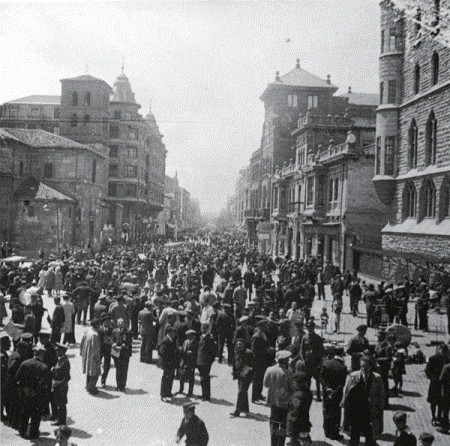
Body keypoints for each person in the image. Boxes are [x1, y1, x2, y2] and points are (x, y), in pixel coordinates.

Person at [341, 350, 386, 446]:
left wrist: (380, 408)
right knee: (354, 437)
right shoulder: (353, 377)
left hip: (370, 412)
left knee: (370, 437)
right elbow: (346, 392)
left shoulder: (377, 378)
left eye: (365, 366)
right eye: (362, 366)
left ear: (370, 367)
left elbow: (382, 395)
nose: (363, 369)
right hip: (356, 411)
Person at [15, 343, 52, 439]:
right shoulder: (44, 367)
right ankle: (33, 433)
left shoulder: (24, 363)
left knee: (24, 413)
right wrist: (36, 391)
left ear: (34, 353)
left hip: (24, 394)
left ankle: (22, 431)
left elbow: (17, 377)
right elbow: (46, 384)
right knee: (36, 416)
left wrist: (25, 389)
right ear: (42, 354)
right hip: (37, 396)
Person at [263, 350, 294, 446]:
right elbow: (292, 387)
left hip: (273, 401)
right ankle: (280, 444)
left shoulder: (269, 369)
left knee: (273, 424)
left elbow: (265, 384)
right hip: (284, 402)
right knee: (283, 425)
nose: (288, 361)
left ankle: (273, 443)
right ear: (284, 361)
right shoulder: (288, 372)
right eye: (287, 360)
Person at [320, 346, 348, 440]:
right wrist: (334, 392)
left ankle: (327, 431)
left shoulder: (326, 363)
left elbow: (321, 378)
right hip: (336, 394)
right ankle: (334, 433)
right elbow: (342, 383)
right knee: (336, 412)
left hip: (326, 392)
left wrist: (327, 389)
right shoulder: (342, 367)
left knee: (326, 410)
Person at [300, 320, 325, 401]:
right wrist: (303, 359)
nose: (309, 329)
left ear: (313, 328)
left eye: (311, 328)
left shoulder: (317, 338)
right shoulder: (304, 337)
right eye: (308, 328)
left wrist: (320, 361)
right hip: (307, 362)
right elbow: (301, 349)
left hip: (315, 362)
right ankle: (307, 395)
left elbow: (321, 350)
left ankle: (318, 395)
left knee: (317, 380)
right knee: (307, 380)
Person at [286, 371, 313, 446]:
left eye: (295, 381)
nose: (294, 383)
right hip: (304, 421)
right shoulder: (308, 393)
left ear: (299, 383)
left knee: (295, 443)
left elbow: (295, 411)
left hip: (296, 425)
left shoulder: (298, 395)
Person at [229, 338, 254, 417]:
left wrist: (246, 372)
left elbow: (252, 366)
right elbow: (234, 362)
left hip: (246, 376)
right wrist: (234, 370)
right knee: (243, 391)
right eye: (237, 344)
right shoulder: (236, 351)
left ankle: (237, 411)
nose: (238, 346)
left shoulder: (248, 353)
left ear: (244, 345)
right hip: (239, 375)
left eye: (240, 344)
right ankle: (245, 408)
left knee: (241, 392)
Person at [424, 343, 448, 426]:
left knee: (441, 401)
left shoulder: (447, 359)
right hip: (435, 383)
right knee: (433, 401)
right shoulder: (433, 358)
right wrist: (432, 378)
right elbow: (427, 370)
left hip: (443, 384)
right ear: (439, 350)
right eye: (443, 350)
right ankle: (433, 416)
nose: (444, 353)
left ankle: (439, 416)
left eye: (446, 351)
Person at [80, 317, 102, 395]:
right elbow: (95, 348)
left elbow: (82, 342)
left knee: (88, 371)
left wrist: (81, 352)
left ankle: (87, 385)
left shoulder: (87, 331)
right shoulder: (95, 335)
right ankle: (91, 387)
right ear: (96, 325)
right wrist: (96, 358)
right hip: (93, 356)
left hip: (86, 354)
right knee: (94, 373)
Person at [51, 343, 71, 426]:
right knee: (59, 404)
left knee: (61, 405)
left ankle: (62, 422)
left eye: (58, 350)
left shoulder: (65, 361)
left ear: (63, 351)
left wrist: (59, 384)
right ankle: (60, 420)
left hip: (61, 386)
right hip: (58, 385)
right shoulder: (61, 359)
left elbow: (67, 377)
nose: (56, 351)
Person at [111, 317, 132, 391]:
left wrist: (122, 346)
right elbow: (112, 339)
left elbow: (128, 342)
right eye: (118, 322)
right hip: (116, 353)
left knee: (124, 369)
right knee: (118, 369)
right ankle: (118, 384)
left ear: (124, 323)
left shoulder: (127, 331)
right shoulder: (114, 331)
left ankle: (122, 385)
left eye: (121, 322)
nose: (120, 323)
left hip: (124, 353)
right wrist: (113, 344)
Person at [197, 322, 216, 401]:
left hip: (206, 362)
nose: (203, 330)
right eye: (202, 328)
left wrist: (209, 362)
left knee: (206, 379)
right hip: (200, 361)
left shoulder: (210, 338)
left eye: (204, 328)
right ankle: (203, 394)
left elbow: (213, 352)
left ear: (208, 329)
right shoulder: (201, 337)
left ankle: (206, 396)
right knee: (202, 379)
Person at [159, 325, 178, 402]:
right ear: (169, 332)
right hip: (167, 363)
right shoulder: (165, 340)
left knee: (170, 378)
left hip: (171, 363)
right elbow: (162, 352)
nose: (174, 334)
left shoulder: (171, 339)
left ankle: (168, 393)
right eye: (173, 332)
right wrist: (169, 357)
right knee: (166, 379)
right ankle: (163, 395)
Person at [177, 329, 198, 397]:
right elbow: (183, 349)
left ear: (193, 336)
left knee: (191, 378)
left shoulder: (196, 343)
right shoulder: (185, 341)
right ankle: (181, 389)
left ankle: (190, 392)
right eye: (187, 336)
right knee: (182, 376)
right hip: (184, 361)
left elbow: (197, 353)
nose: (188, 337)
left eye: (189, 336)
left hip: (191, 362)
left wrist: (192, 353)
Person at [438, 359, 450, 434]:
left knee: (445, 410)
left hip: (447, 392)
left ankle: (445, 427)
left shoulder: (446, 367)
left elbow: (441, 379)